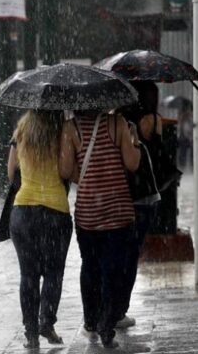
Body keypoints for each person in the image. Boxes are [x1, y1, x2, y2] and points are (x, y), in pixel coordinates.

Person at [60, 109, 141, 349]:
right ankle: (107, 323)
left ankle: (91, 320)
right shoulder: (117, 124)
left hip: (88, 212)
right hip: (117, 210)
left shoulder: (70, 128)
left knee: (90, 266)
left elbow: (65, 171)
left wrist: (86, 178)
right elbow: (132, 163)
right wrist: (133, 141)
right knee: (113, 268)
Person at [6, 110, 72, 349]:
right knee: (53, 273)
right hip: (55, 212)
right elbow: (66, 171)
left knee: (28, 275)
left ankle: (31, 333)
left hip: (23, 212)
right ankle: (47, 321)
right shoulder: (62, 131)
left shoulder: (21, 130)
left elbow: (11, 171)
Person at [116, 81, 164, 329]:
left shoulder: (120, 121)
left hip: (121, 194)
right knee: (131, 256)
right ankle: (120, 308)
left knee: (117, 254)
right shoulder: (152, 121)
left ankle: (111, 306)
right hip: (145, 196)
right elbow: (158, 155)